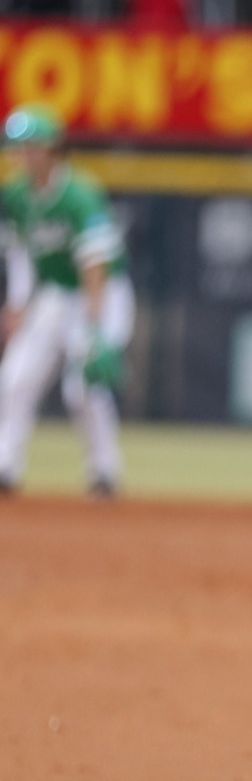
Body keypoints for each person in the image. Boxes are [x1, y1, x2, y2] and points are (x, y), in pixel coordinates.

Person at [0, 106, 135, 498]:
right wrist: (18, 306)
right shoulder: (15, 195)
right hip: (54, 295)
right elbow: (22, 256)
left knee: (83, 388)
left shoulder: (80, 195)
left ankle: (104, 472)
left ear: (52, 148)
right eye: (17, 146)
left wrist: (95, 328)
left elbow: (95, 265)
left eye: (30, 145)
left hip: (101, 292)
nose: (21, 154)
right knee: (15, 377)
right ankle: (5, 466)